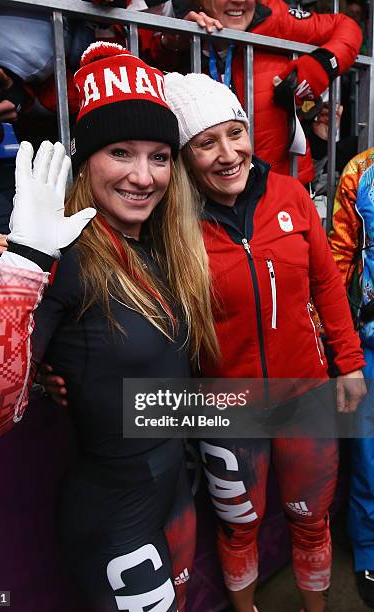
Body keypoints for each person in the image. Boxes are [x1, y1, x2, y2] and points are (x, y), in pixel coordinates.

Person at [0, 43, 220, 612]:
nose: (143, 177)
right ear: (86, 160)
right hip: (116, 522)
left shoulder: (159, 247)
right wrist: (24, 264)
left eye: (160, 157)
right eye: (120, 152)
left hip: (174, 495)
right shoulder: (63, 257)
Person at [163, 72, 366, 612]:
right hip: (227, 409)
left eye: (236, 133)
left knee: (310, 519)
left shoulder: (293, 195)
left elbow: (326, 283)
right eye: (206, 143)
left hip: (306, 397)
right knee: (238, 530)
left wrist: (347, 363)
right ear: (184, 156)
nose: (229, 154)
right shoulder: (171, 222)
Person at [155, 0, 362, 187]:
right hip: (208, 196)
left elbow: (347, 27)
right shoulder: (183, 29)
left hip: (283, 190)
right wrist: (171, 41)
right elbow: (142, 55)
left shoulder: (273, 16)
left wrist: (322, 65)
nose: (239, 1)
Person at [329, 148, 374, 609]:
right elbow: (337, 258)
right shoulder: (361, 171)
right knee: (369, 459)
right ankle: (369, 551)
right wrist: (341, 350)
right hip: (370, 341)